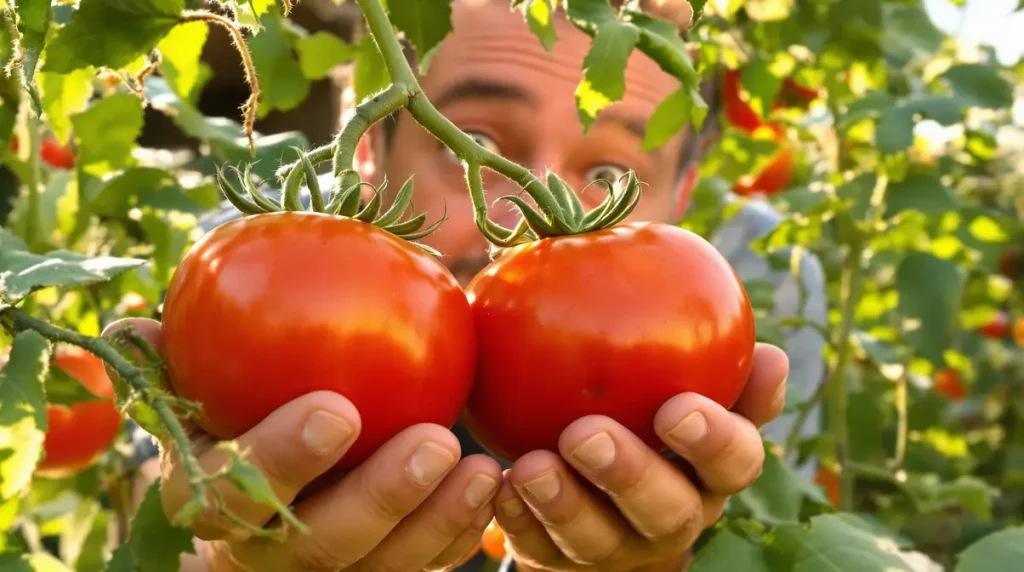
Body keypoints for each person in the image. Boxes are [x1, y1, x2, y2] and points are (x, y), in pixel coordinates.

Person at [107, 1, 826, 570]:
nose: (527, 210)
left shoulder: (759, 277)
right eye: (474, 145)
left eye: (609, 175)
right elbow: (157, 503)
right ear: (368, 146)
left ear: (686, 192)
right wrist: (226, 554)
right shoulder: (252, 266)